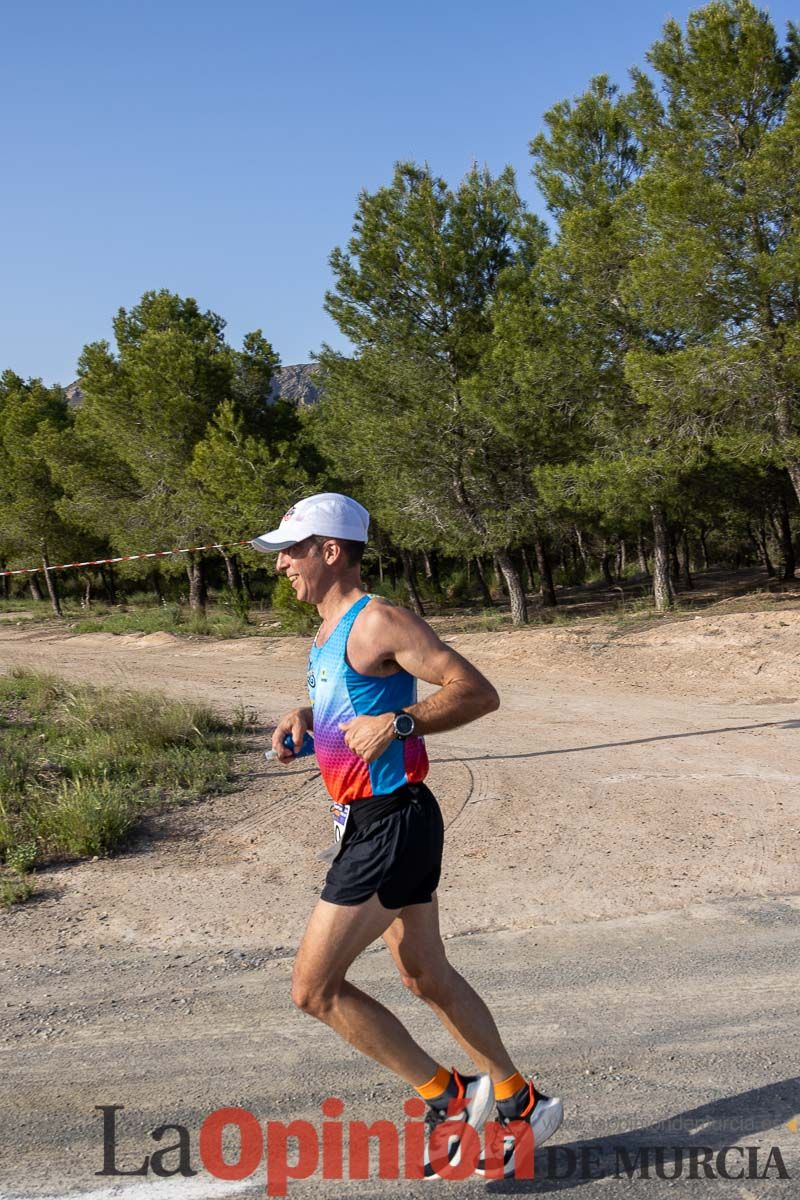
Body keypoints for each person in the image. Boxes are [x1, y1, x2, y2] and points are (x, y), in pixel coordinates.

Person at [252, 492, 562, 1178]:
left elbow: (476, 690)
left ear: (331, 551)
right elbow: (357, 703)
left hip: (392, 823)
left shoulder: (377, 620)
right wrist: (306, 716)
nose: (282, 566)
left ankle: (450, 1098)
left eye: (292, 551)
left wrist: (403, 726)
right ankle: (517, 1099)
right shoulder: (328, 632)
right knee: (426, 976)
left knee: (313, 989)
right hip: (374, 821)